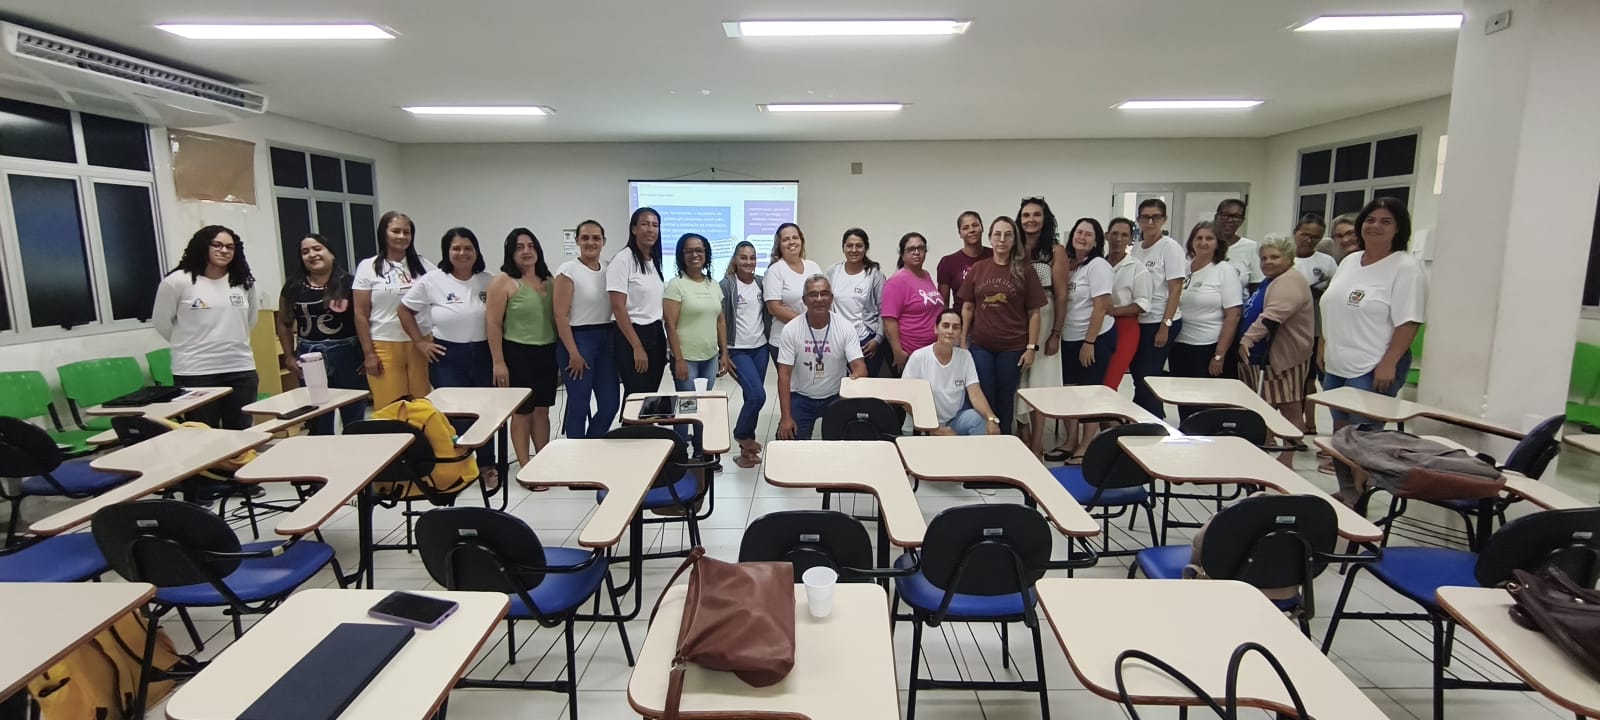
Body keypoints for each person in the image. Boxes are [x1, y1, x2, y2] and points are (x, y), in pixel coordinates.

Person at [400, 227, 497, 485]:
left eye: (468, 248)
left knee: (485, 411)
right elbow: (404, 310)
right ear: (447, 252)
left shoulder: (488, 281)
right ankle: (460, 464)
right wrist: (420, 343)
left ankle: (487, 465)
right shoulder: (432, 281)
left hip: (484, 353)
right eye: (456, 248)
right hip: (448, 355)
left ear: (476, 251)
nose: (462, 253)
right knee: (456, 413)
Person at [1320, 198, 1426, 431]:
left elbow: (1409, 322)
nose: (1375, 226)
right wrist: (1323, 346)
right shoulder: (1349, 261)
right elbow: (1333, 307)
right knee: (1340, 430)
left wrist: (1389, 363)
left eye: (1385, 221)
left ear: (1398, 229)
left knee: (1364, 434)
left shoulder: (1406, 268)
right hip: (1337, 363)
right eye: (1370, 220)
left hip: (1373, 366)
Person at [152, 225, 258, 430]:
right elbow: (161, 322)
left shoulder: (243, 281)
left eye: (230, 247)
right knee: (201, 431)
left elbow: (250, 320)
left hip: (240, 368)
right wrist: (190, 342)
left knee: (241, 430)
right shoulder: (177, 281)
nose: (224, 251)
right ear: (203, 246)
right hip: (196, 370)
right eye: (217, 245)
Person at [957, 216, 1046, 436]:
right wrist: (963, 342)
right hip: (981, 345)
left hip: (1012, 347)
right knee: (984, 395)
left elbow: (1035, 313)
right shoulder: (979, 269)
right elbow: (967, 307)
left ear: (1014, 240)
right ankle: (985, 439)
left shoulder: (1025, 270)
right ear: (990, 238)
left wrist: (1031, 348)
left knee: (1006, 398)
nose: (1002, 239)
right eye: (997, 234)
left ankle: (1004, 439)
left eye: (1008, 235)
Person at [1237, 234, 1316, 462]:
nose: (1268, 262)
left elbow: (1273, 316)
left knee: (1289, 407)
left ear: (1289, 257)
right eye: (1264, 258)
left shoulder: (1290, 280)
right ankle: (1265, 452)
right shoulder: (1273, 279)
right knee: (1264, 407)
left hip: (1282, 359)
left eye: (1274, 257)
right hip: (1262, 357)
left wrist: (1247, 339)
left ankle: (1287, 459)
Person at [277, 234, 365, 436]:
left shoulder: (351, 283)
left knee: (353, 416)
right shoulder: (293, 287)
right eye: (305, 252)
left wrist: (368, 354)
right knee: (317, 418)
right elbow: (284, 322)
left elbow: (364, 319)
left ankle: (357, 452)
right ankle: (323, 454)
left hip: (348, 356)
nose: (312, 255)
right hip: (309, 357)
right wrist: (289, 356)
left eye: (317, 249)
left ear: (331, 254)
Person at [487, 228, 560, 473]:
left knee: (542, 410)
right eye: (519, 247)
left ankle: (543, 461)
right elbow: (493, 323)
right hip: (517, 353)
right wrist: (498, 361)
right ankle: (526, 467)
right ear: (511, 252)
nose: (526, 251)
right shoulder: (503, 281)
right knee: (522, 413)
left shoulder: (549, 281)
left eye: (531, 246)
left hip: (547, 352)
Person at [1045, 218, 1116, 462]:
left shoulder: (1098, 266)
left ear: (1096, 241)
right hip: (1069, 337)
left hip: (1093, 337)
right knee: (1069, 391)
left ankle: (1086, 446)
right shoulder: (1069, 264)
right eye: (1079, 232)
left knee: (1089, 393)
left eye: (1088, 234)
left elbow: (1101, 306)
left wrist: (1090, 342)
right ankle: (1070, 441)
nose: (1082, 237)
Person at [354, 211, 433, 409]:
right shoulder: (368, 266)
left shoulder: (424, 266)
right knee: (390, 407)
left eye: (407, 232)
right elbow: (360, 314)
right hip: (384, 343)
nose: (402, 236)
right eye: (396, 231)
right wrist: (369, 354)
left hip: (420, 343)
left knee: (422, 405)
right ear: (384, 233)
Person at [775, 275, 867, 440]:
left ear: (831, 298)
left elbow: (860, 368)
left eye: (824, 294)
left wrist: (855, 378)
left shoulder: (845, 327)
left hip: (835, 395)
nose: (819, 299)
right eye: (813, 294)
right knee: (789, 440)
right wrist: (786, 417)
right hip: (801, 396)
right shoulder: (791, 329)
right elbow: (784, 376)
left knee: (841, 443)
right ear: (804, 300)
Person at [1170, 221, 1243, 421]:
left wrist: (1219, 355)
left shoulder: (1224, 270)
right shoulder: (1184, 268)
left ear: (1218, 243)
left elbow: (1233, 315)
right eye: (1199, 238)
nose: (1203, 242)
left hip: (1207, 347)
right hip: (1180, 345)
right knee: (1184, 400)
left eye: (1209, 238)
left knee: (1205, 404)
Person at [554, 220, 620, 438]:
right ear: (577, 241)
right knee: (579, 406)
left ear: (604, 241)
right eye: (585, 238)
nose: (591, 242)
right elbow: (560, 315)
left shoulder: (609, 268)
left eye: (596, 238)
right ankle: (576, 452)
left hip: (606, 339)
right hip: (578, 340)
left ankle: (591, 444)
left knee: (610, 403)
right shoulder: (568, 270)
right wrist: (573, 352)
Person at [1015, 197, 1070, 436]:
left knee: (1040, 384)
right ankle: (1023, 436)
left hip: (1045, 320)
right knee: (1019, 380)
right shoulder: (1014, 248)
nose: (1031, 220)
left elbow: (1062, 295)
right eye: (1026, 215)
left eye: (1036, 214)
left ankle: (1037, 443)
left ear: (1045, 218)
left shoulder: (1056, 251)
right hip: (1017, 319)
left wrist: (1056, 333)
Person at [902, 309, 1003, 436]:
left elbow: (975, 393)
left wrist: (991, 418)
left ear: (960, 333)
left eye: (955, 327)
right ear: (936, 329)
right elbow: (905, 401)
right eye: (945, 326)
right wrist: (936, 430)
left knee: (979, 420)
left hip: (952, 423)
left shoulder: (965, 356)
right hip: (920, 426)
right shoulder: (918, 357)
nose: (950, 331)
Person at [1129, 199, 1186, 417]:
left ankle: (1152, 422)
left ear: (1164, 219)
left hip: (1160, 321)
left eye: (1156, 217)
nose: (1150, 221)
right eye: (1145, 217)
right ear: (1138, 220)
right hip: (1140, 321)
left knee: (1148, 377)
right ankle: (1144, 418)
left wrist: (1166, 325)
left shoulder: (1170, 247)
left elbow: (1176, 288)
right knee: (1138, 374)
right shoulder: (1137, 248)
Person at [608, 207, 668, 398]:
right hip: (632, 335)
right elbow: (618, 307)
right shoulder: (623, 259)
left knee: (649, 396)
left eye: (655, 225)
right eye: (645, 224)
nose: (651, 229)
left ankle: (644, 421)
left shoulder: (653, 260)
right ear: (634, 229)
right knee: (636, 396)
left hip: (655, 334)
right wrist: (637, 347)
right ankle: (632, 422)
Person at [721, 241, 769, 468]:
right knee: (758, 396)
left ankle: (746, 453)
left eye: (752, 257)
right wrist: (723, 352)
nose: (749, 262)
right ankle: (742, 435)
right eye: (743, 257)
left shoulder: (761, 283)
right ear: (735, 260)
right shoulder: (727, 285)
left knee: (751, 396)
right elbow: (720, 321)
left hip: (760, 348)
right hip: (737, 349)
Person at [1292, 213, 1338, 434]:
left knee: (1309, 379)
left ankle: (1310, 423)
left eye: (1315, 237)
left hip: (1314, 329)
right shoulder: (1285, 258)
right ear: (1295, 233)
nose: (1309, 240)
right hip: (1288, 329)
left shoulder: (1327, 262)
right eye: (1305, 235)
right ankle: (1291, 422)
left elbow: (1334, 292)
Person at [825, 228, 886, 376]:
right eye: (849, 245)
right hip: (838, 339)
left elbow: (884, 310)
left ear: (866, 248)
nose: (854, 250)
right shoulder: (833, 271)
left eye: (859, 246)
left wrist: (877, 339)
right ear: (843, 248)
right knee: (839, 383)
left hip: (866, 341)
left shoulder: (875, 275)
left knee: (864, 385)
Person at [881, 232, 944, 373]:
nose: (916, 252)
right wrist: (897, 351)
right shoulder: (895, 282)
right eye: (911, 249)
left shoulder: (926, 275)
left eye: (920, 248)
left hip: (932, 351)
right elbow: (889, 320)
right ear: (902, 254)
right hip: (910, 353)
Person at [1102, 217, 1151, 391]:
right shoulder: (1098, 263)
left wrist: (1113, 311)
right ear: (1107, 236)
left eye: (1124, 235)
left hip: (1124, 328)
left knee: (1109, 382)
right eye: (1114, 233)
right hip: (1098, 326)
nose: (1118, 239)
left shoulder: (1137, 268)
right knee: (1094, 380)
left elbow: (1143, 304)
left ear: (1131, 239)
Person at [763, 222, 823, 364]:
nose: (791, 242)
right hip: (784, 340)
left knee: (813, 377)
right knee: (790, 379)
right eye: (786, 239)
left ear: (801, 241)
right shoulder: (775, 270)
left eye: (795, 237)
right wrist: (808, 321)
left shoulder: (813, 266)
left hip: (813, 338)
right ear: (779, 245)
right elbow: (774, 308)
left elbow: (823, 298)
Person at [936, 211, 991, 305]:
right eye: (966, 228)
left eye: (975, 225)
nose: (971, 230)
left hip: (992, 313)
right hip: (960, 313)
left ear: (982, 228)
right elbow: (943, 305)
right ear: (960, 234)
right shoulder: (948, 262)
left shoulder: (994, 255)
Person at [1215, 198, 1260, 296]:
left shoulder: (1251, 247)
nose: (1229, 220)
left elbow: (1256, 286)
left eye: (1236, 216)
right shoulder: (1205, 244)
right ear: (1216, 217)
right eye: (1225, 215)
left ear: (1242, 221)